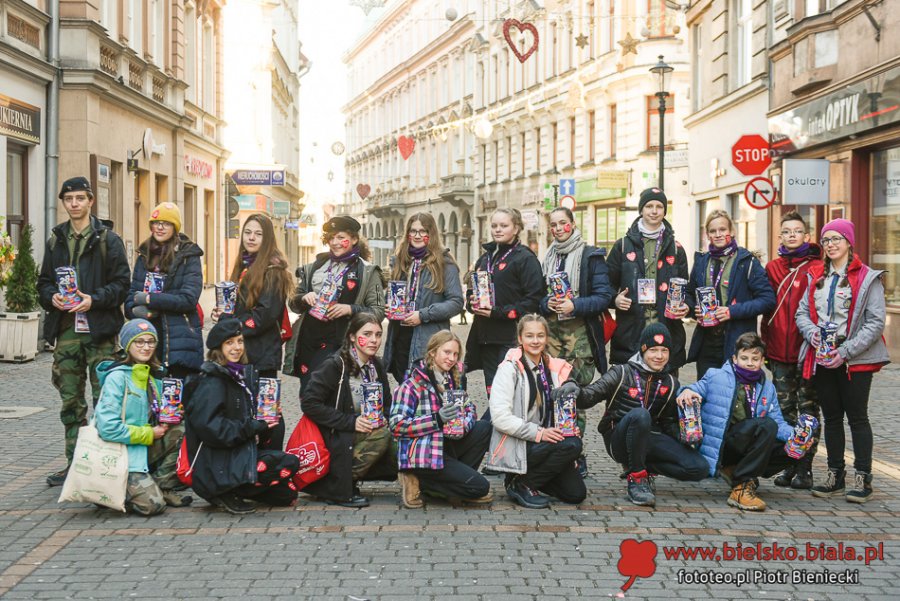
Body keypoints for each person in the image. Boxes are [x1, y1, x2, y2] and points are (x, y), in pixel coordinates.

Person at [37, 176, 131, 487]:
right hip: (66, 334)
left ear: (90, 201)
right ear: (63, 203)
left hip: (100, 333)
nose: (74, 204)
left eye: (80, 198)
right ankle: (74, 463)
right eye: (69, 199)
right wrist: (52, 297)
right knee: (70, 402)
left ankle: (108, 464)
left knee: (106, 400)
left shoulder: (108, 239)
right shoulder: (56, 239)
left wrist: (93, 300)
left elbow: (121, 285)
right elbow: (44, 283)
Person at [557, 324, 707, 507]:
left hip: (647, 438)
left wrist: (686, 436)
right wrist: (573, 387)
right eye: (653, 350)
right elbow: (588, 397)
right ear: (643, 350)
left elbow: (667, 423)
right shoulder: (621, 372)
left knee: (699, 468)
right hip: (617, 439)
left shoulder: (671, 383)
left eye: (664, 350)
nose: (659, 356)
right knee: (640, 415)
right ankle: (636, 478)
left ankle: (645, 467)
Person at [796, 219, 890, 503]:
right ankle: (835, 474)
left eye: (837, 239)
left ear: (849, 242)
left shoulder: (866, 277)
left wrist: (846, 351)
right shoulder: (816, 276)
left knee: (857, 418)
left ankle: (863, 477)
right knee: (833, 418)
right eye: (826, 240)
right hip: (822, 356)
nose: (831, 244)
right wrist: (813, 334)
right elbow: (802, 313)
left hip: (854, 359)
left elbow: (875, 323)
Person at [184, 319, 300, 514]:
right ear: (218, 348)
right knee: (287, 464)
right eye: (230, 343)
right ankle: (224, 490)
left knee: (286, 494)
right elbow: (213, 429)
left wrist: (267, 417)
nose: (237, 348)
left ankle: (242, 486)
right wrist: (254, 426)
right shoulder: (212, 382)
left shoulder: (237, 376)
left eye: (239, 341)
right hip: (215, 464)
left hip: (236, 453)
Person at [678, 333, 797, 512]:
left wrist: (797, 435)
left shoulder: (767, 386)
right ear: (734, 359)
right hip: (725, 446)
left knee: (794, 449)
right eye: (744, 358)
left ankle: (736, 471)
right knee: (766, 426)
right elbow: (693, 389)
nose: (750, 363)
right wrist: (686, 391)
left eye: (755, 358)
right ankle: (741, 486)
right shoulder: (716, 376)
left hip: (750, 442)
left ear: (762, 360)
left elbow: (777, 421)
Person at [539, 206, 614, 476]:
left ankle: (576, 452)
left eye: (563, 223)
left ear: (573, 224)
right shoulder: (547, 257)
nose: (558, 229)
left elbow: (604, 296)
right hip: (550, 335)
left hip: (580, 337)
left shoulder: (590, 255)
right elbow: (537, 295)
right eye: (554, 225)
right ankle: (556, 448)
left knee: (574, 395)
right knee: (550, 393)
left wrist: (575, 305)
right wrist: (546, 301)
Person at [486, 314, 587, 509]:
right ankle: (521, 483)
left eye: (540, 336)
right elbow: (499, 417)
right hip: (519, 443)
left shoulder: (553, 368)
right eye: (529, 336)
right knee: (572, 445)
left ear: (547, 338)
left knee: (575, 494)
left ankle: (529, 477)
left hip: (545, 444)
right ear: (520, 339)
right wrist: (539, 433)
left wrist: (567, 427)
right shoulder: (509, 369)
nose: (535, 341)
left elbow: (562, 410)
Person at [212, 213, 293, 450]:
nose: (251, 238)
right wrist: (221, 314)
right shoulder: (244, 265)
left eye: (258, 234)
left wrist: (230, 321)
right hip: (244, 351)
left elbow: (264, 317)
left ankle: (272, 459)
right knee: (247, 408)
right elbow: (239, 307)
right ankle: (250, 459)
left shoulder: (273, 271)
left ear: (267, 238)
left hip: (262, 352)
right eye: (248, 232)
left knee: (268, 411)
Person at [95, 319, 191, 515]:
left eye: (150, 342)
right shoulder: (116, 378)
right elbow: (107, 428)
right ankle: (111, 491)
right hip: (119, 454)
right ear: (127, 345)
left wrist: (170, 416)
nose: (146, 347)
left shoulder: (154, 376)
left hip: (142, 448)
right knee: (153, 506)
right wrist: (149, 433)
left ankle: (163, 486)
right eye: (139, 342)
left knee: (182, 428)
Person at [300, 313, 395, 508]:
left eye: (378, 334)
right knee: (382, 436)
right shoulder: (336, 365)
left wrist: (384, 417)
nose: (373, 340)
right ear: (352, 336)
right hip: (337, 433)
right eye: (367, 334)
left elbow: (387, 402)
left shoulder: (377, 365)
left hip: (366, 429)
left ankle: (348, 480)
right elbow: (309, 402)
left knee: (398, 439)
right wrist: (351, 422)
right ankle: (334, 484)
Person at [391, 331, 492, 508]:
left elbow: (471, 409)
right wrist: (436, 419)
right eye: (447, 352)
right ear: (432, 352)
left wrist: (462, 425)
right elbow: (397, 425)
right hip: (425, 452)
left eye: (455, 354)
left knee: (483, 427)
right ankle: (416, 478)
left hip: (447, 445)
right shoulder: (412, 384)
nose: (451, 358)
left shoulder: (453, 380)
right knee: (480, 487)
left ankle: (451, 485)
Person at [760, 211, 823, 489]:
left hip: (806, 351)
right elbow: (765, 305)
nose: (792, 235)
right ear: (780, 236)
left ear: (807, 236)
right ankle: (788, 465)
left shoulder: (818, 267)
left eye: (797, 231)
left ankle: (805, 468)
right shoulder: (772, 268)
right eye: (787, 231)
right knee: (785, 412)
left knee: (808, 410)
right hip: (777, 351)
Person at [285, 215, 385, 389]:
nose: (335, 242)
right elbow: (293, 302)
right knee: (308, 392)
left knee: (330, 394)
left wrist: (350, 309)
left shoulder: (367, 272)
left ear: (354, 239)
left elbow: (378, 311)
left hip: (341, 343)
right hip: (309, 341)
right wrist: (304, 297)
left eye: (341, 237)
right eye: (331, 238)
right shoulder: (315, 267)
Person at [606, 188, 690, 369]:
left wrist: (685, 306)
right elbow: (605, 286)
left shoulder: (676, 249)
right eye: (649, 206)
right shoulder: (622, 246)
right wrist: (615, 299)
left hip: (666, 335)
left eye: (659, 206)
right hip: (631, 335)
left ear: (665, 211)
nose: (654, 211)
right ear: (641, 210)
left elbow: (687, 292)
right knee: (628, 394)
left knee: (664, 394)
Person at [686, 210, 776, 380]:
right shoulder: (701, 262)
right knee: (708, 394)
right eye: (713, 231)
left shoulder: (747, 262)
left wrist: (732, 311)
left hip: (738, 342)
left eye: (722, 230)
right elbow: (690, 294)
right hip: (707, 343)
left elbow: (767, 300)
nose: (718, 234)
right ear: (707, 235)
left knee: (736, 398)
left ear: (732, 232)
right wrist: (693, 310)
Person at [465, 208, 543, 396]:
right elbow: (470, 291)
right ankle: (495, 426)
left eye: (503, 225)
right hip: (485, 338)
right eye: (494, 226)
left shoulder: (525, 258)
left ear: (516, 228)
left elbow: (533, 301)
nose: (497, 230)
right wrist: (471, 302)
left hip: (510, 339)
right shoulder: (485, 258)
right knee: (493, 393)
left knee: (508, 395)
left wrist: (497, 312)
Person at [125, 202, 204, 380]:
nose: (160, 227)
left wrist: (149, 300)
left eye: (166, 223)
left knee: (176, 401)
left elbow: (188, 299)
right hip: (147, 339)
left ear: (175, 227)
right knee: (149, 399)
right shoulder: (144, 255)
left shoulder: (188, 256)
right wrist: (134, 310)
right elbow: (131, 297)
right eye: (156, 222)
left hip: (179, 340)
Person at [383, 213, 464, 383]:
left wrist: (422, 315)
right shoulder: (401, 261)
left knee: (427, 390)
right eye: (413, 231)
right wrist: (388, 304)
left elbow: (456, 302)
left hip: (429, 339)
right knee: (405, 388)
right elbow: (392, 295)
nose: (417, 235)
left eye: (423, 231)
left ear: (431, 234)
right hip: (401, 337)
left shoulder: (444, 263)